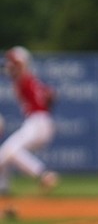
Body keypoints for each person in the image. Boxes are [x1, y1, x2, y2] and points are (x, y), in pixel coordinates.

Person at [0, 46, 59, 199]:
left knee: (11, 150)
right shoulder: (31, 79)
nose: (10, 65)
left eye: (13, 62)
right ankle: (3, 189)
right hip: (41, 122)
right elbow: (51, 96)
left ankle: (43, 174)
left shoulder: (24, 78)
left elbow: (18, 71)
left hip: (37, 122)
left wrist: (16, 65)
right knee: (4, 154)